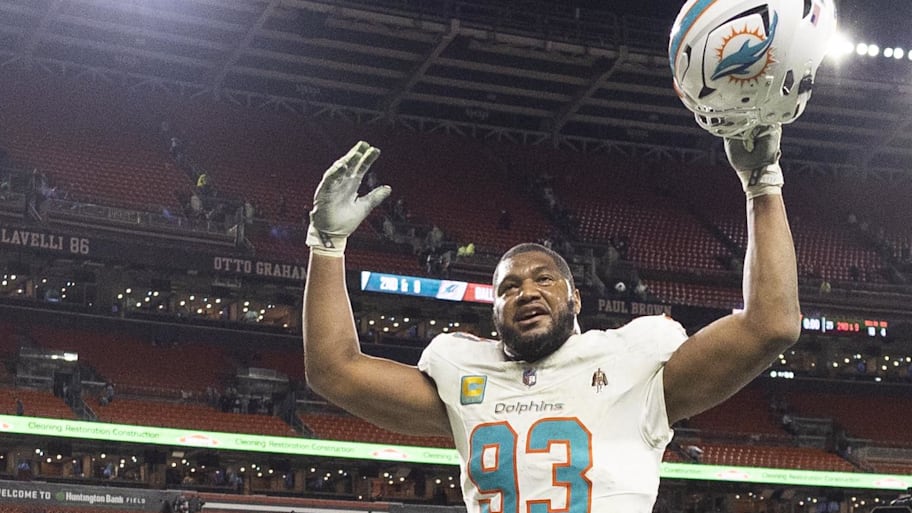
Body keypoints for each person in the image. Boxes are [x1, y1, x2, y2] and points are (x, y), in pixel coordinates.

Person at [303, 128, 799, 512]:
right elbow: (333, 371)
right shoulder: (465, 374)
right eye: (508, 287)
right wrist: (326, 245)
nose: (526, 292)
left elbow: (771, 325)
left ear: (576, 299)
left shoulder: (634, 363)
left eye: (544, 279)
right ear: (494, 312)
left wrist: (762, 182)